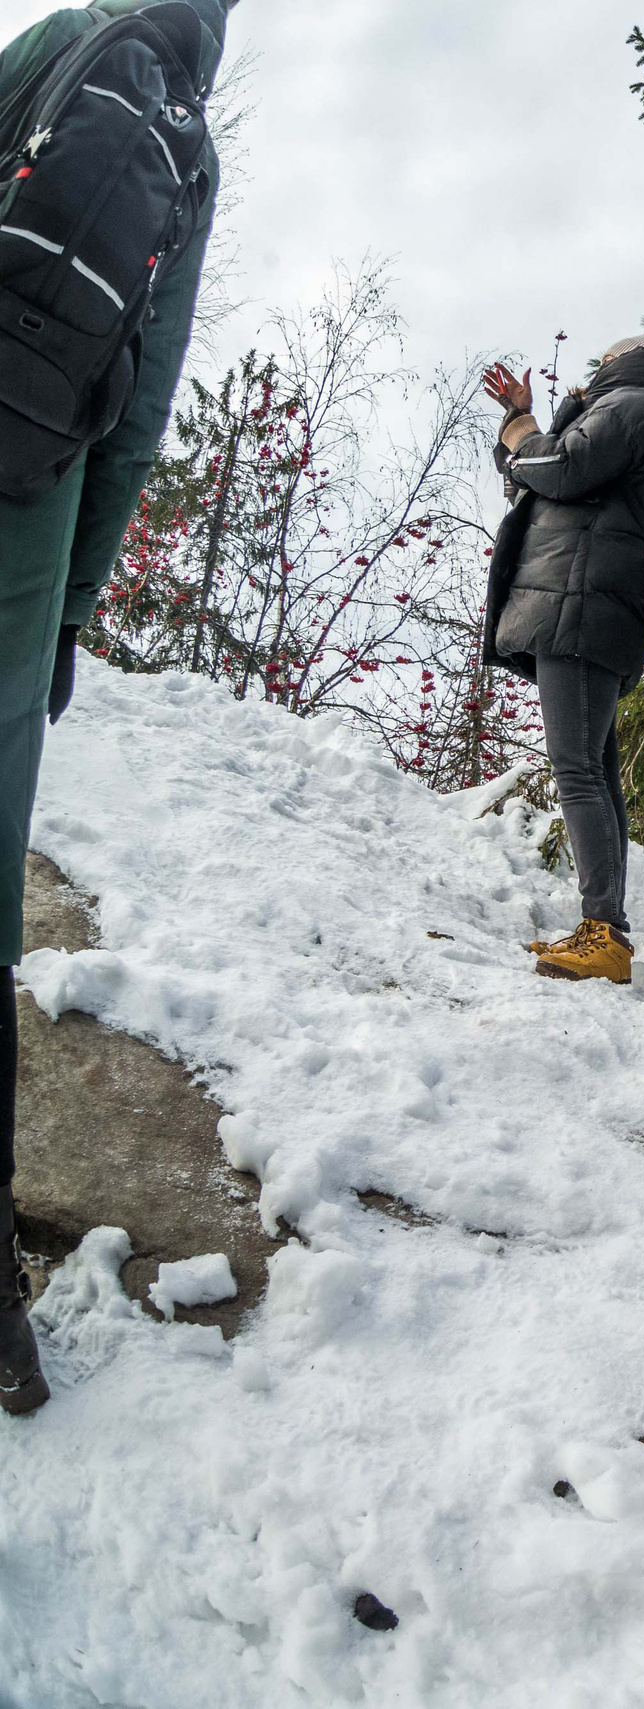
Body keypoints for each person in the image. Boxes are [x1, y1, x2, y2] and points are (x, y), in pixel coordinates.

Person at [0, 0, 234, 1421]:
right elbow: (138, 414)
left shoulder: (58, 46)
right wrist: (75, 607)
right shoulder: (189, 153)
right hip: (33, 507)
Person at [480, 332, 644, 985]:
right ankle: (601, 926)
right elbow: (548, 475)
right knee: (595, 770)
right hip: (591, 599)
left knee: (578, 768)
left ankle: (603, 933)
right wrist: (521, 427)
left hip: (583, 598)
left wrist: (526, 432)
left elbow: (564, 467)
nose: (597, 369)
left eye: (604, 360)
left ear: (627, 360)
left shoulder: (636, 402)